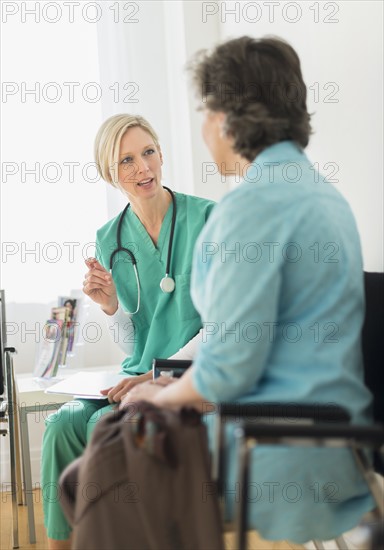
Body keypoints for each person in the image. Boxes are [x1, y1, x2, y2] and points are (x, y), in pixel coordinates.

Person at [121, 37, 376, 544]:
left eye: (205, 111)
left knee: (108, 475)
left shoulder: (250, 207)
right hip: (341, 446)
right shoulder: (329, 198)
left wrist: (161, 394)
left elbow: (229, 369)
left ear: (225, 118)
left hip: (272, 455)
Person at [41, 113, 215, 549]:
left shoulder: (211, 220)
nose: (143, 168)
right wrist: (111, 306)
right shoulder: (110, 237)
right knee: (62, 424)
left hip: (188, 375)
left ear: (162, 153)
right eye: (126, 161)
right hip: (138, 369)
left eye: (149, 152)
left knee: (104, 423)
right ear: (108, 173)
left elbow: (225, 326)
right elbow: (134, 340)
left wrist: (160, 374)